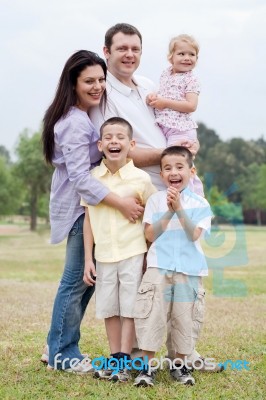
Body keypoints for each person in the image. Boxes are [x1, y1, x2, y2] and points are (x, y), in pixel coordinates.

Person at [90, 23, 222, 373]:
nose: (129, 54)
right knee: (143, 273)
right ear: (107, 52)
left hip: (172, 182)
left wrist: (185, 162)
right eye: (122, 48)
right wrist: (169, 154)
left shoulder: (149, 86)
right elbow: (116, 149)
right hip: (140, 189)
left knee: (176, 271)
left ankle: (181, 354)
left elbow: (178, 117)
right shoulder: (105, 96)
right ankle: (136, 354)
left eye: (135, 48)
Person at [41, 50, 144, 373]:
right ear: (73, 84)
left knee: (86, 281)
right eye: (89, 81)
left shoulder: (85, 117)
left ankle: (57, 346)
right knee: (75, 282)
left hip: (91, 209)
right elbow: (81, 179)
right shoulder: (73, 123)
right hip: (78, 210)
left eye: (101, 79)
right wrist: (123, 202)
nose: (98, 86)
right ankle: (61, 352)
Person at [81, 117, 156, 382]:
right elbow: (88, 220)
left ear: (131, 144)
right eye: (109, 138)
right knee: (109, 309)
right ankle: (115, 360)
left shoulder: (141, 179)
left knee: (130, 309)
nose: (114, 141)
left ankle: (124, 361)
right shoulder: (92, 178)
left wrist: (149, 254)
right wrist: (88, 258)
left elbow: (151, 217)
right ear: (100, 145)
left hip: (132, 252)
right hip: (103, 256)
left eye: (120, 137)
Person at [133, 146, 213, 387]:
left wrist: (179, 209)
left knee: (184, 319)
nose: (174, 172)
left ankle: (180, 366)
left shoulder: (201, 203)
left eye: (180, 167)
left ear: (191, 171)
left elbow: (193, 235)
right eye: (167, 168)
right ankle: (146, 369)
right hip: (159, 266)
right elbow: (149, 234)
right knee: (152, 315)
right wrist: (168, 212)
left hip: (189, 270)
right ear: (161, 174)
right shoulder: (156, 201)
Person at [146, 34, 203, 196]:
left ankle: (194, 195)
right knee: (173, 166)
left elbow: (191, 106)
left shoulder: (191, 79)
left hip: (180, 130)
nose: (187, 58)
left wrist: (164, 103)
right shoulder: (166, 74)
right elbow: (164, 94)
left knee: (178, 166)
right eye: (182, 54)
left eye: (192, 55)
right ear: (171, 57)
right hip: (167, 128)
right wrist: (154, 97)